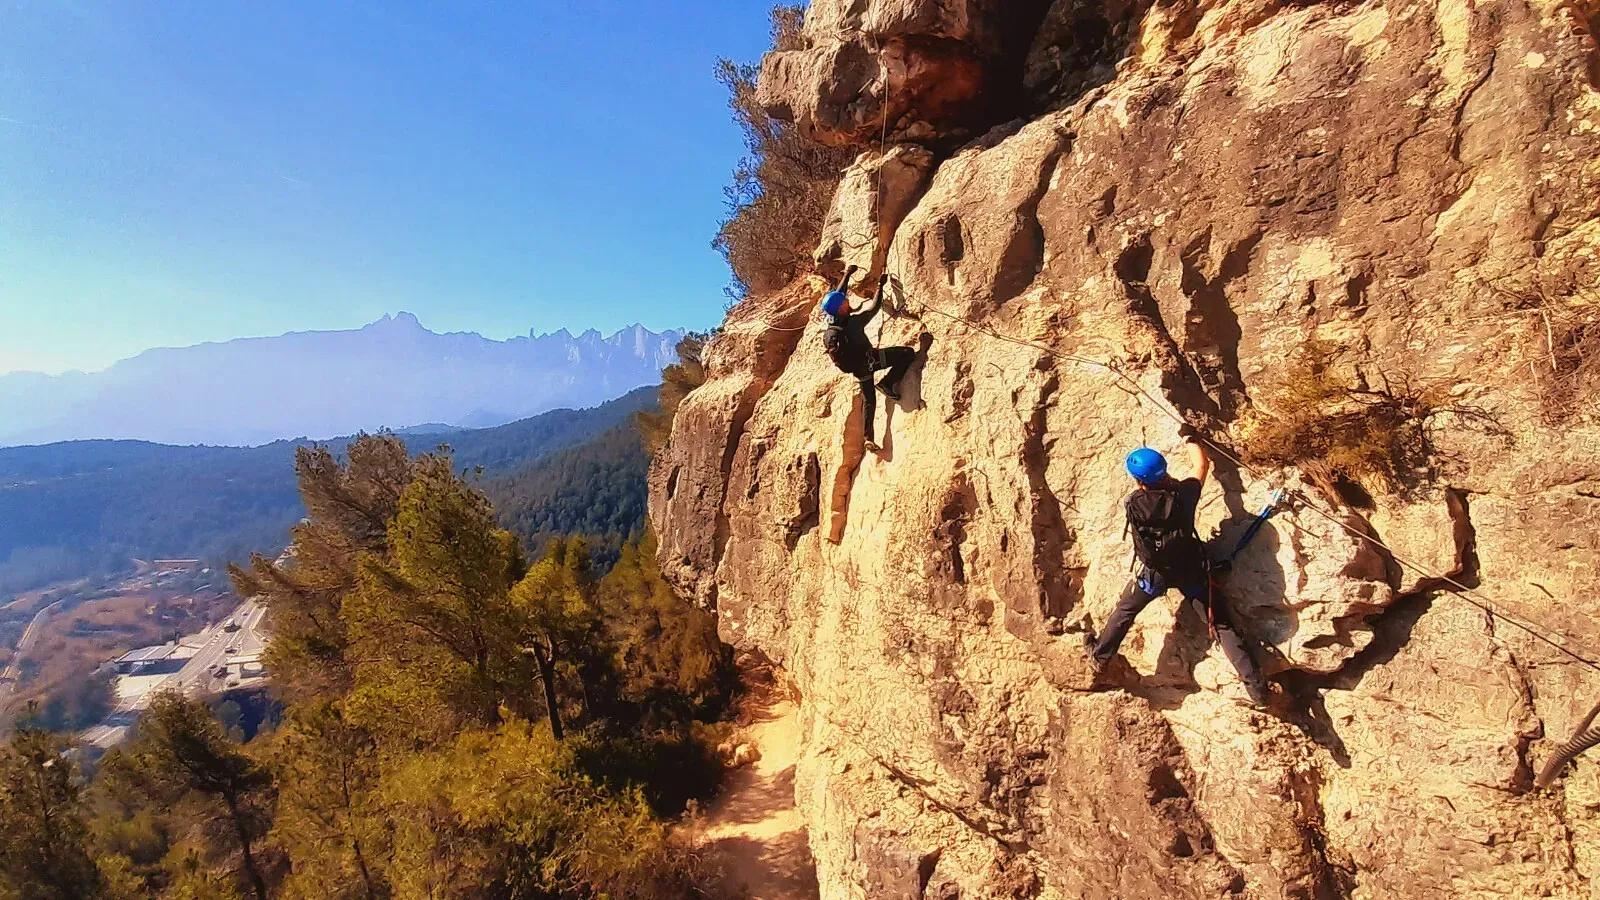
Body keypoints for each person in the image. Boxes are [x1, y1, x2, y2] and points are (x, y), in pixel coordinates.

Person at [1083, 434, 1271, 708]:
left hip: (1155, 574)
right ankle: (1258, 692)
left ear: (1139, 480)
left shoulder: (1134, 503)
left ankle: (1100, 657)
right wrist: (1190, 437)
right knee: (1221, 625)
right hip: (1191, 570)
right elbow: (1201, 466)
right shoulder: (1184, 495)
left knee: (1126, 611)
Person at [821, 265, 917, 451]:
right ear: (841, 308)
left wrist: (847, 274)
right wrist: (881, 287)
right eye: (845, 302)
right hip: (872, 361)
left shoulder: (831, 325)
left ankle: (868, 438)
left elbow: (836, 297)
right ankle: (887, 383)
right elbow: (874, 308)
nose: (848, 301)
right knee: (906, 353)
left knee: (869, 400)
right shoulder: (854, 323)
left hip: (858, 369)